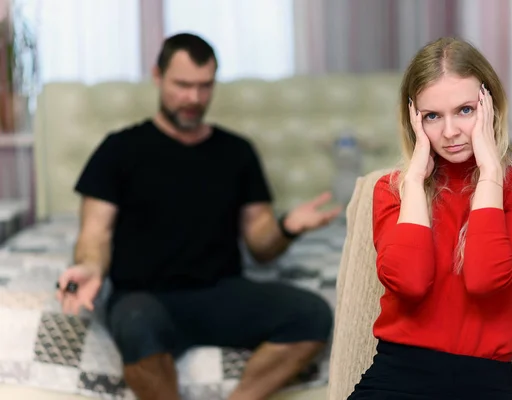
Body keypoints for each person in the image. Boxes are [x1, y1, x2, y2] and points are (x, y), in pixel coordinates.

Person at [55, 33, 341, 400]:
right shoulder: (119, 149)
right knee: (137, 325)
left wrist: (286, 227)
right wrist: (91, 268)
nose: (194, 98)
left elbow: (261, 246)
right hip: (145, 296)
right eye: (183, 85)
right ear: (157, 76)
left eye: (205, 86)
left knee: (312, 314)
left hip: (220, 293)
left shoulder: (237, 152)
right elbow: (95, 234)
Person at [347, 37, 512, 399]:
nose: (449, 132)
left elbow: (485, 281)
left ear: (490, 106)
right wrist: (414, 181)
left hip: (484, 382)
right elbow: (410, 284)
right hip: (396, 376)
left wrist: (490, 170)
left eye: (465, 110)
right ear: (413, 119)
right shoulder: (392, 190)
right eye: (432, 116)